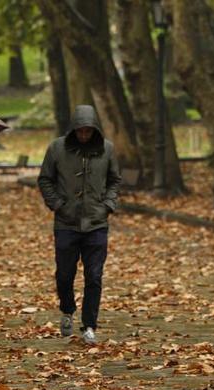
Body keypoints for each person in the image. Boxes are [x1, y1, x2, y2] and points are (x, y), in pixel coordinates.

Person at [37, 105, 122, 345]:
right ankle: (67, 309)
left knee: (94, 276)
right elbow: (45, 179)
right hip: (66, 222)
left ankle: (89, 325)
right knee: (64, 275)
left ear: (94, 130)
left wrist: (107, 204)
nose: (84, 135)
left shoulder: (106, 150)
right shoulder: (57, 148)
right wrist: (57, 204)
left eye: (88, 131)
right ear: (73, 129)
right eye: (80, 131)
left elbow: (114, 180)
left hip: (97, 222)